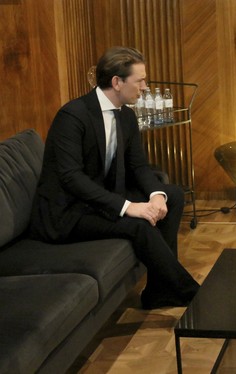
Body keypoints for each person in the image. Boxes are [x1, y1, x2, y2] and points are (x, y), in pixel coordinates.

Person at [29, 46, 199, 310]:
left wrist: (156, 195)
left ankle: (160, 292)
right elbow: (71, 178)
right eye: (140, 80)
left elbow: (139, 165)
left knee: (172, 195)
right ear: (117, 82)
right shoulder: (73, 116)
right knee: (139, 224)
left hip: (98, 199)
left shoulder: (126, 116)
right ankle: (191, 293)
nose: (145, 86)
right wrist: (128, 207)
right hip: (67, 212)